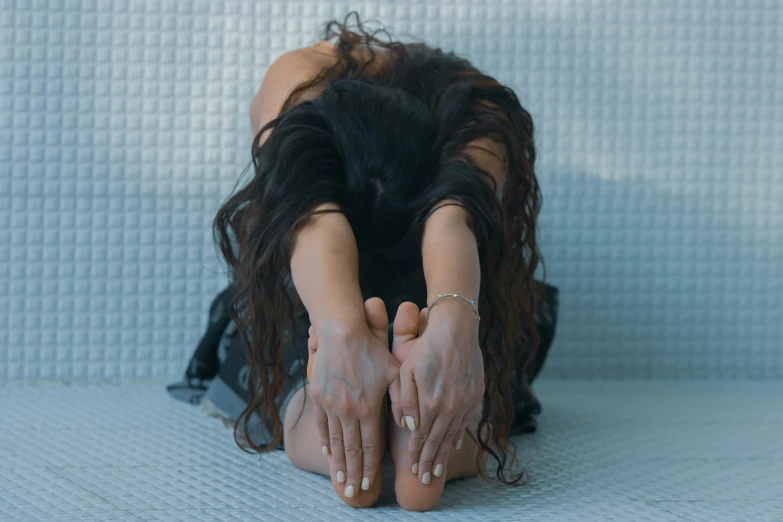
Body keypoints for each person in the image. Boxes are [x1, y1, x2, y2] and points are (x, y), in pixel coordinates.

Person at [205, 14, 558, 511]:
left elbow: (430, 218)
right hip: (337, 295)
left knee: (296, 378)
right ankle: (440, 435)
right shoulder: (298, 87)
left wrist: (450, 329)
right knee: (473, 384)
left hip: (412, 291)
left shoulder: (477, 111)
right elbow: (326, 215)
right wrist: (341, 328)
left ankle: (335, 433)